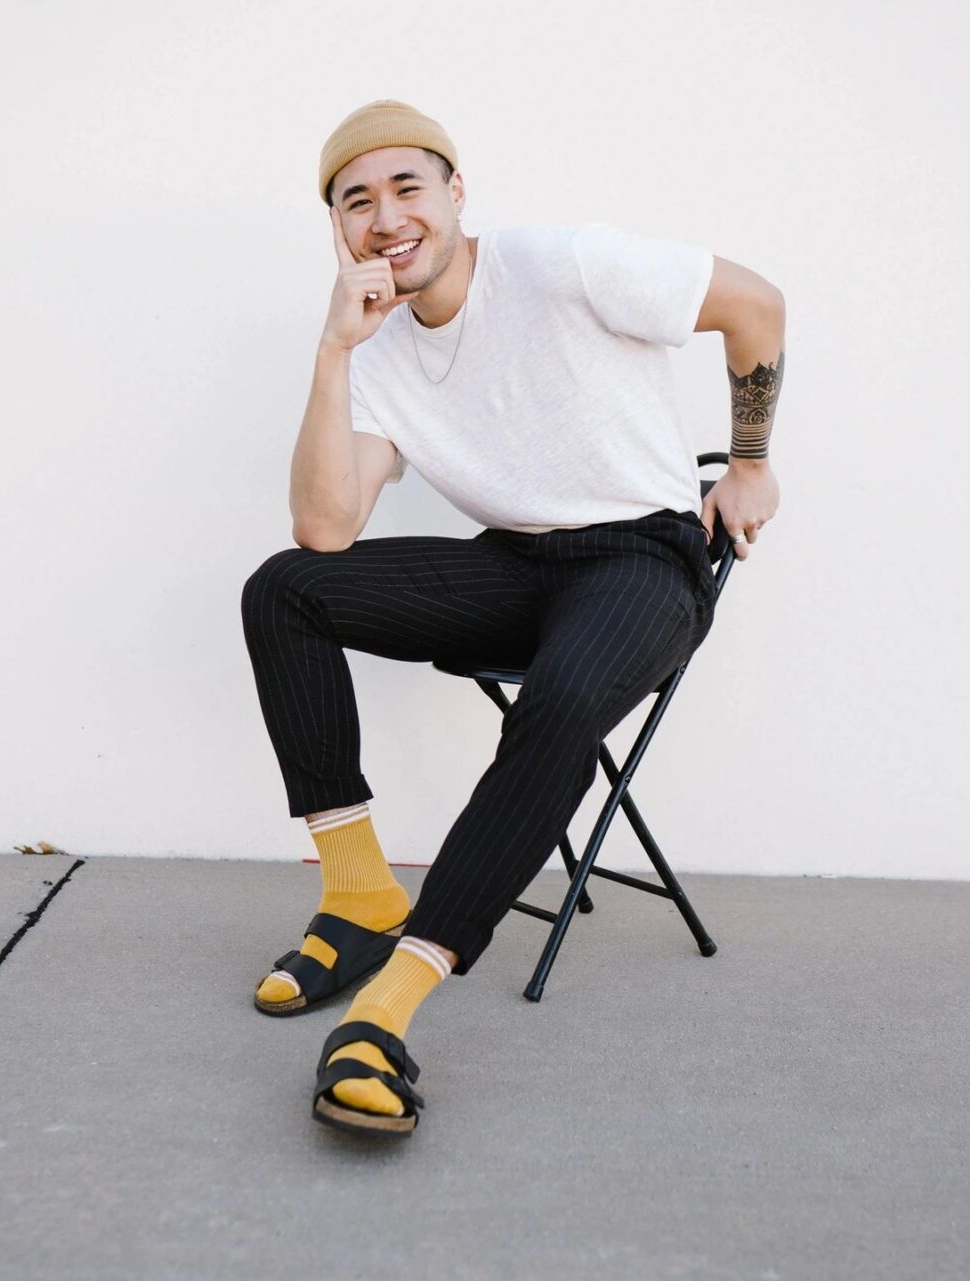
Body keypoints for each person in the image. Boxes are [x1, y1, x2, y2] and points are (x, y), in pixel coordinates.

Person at [241, 99, 784, 1137]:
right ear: (339, 232)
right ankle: (359, 893)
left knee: (566, 701)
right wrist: (333, 353)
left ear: (455, 194)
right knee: (283, 591)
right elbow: (325, 526)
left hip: (641, 561)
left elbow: (755, 304)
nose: (386, 216)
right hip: (517, 568)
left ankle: (386, 1011)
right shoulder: (381, 348)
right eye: (357, 201)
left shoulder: (566, 265)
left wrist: (750, 460)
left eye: (408, 187)